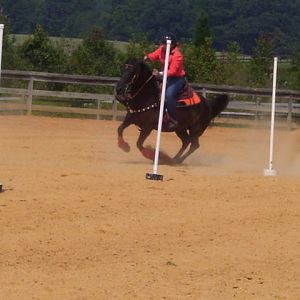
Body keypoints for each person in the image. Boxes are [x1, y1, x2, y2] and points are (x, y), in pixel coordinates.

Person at [144, 34, 186, 130]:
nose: (164, 45)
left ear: (172, 44)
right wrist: (147, 57)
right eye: (163, 43)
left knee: (169, 95)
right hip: (164, 76)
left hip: (176, 78)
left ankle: (173, 119)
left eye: (166, 44)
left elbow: (173, 71)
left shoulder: (177, 55)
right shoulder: (161, 49)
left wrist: (159, 73)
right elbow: (154, 55)